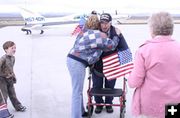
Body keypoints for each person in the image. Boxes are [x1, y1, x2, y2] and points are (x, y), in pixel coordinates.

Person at [128, 11, 180, 118]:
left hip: (151, 107)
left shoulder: (144, 50)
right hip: (174, 104)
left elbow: (134, 82)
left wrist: (130, 76)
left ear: (152, 29)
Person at [66, 14, 120, 118]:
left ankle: (81, 112)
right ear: (98, 24)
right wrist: (117, 35)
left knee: (78, 90)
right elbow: (112, 45)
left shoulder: (83, 32)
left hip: (71, 59)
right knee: (77, 92)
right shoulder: (98, 35)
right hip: (78, 62)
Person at [92, 13, 129, 114]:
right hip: (97, 65)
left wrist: (122, 62)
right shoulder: (95, 32)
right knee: (97, 86)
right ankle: (98, 103)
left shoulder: (116, 32)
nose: (104, 25)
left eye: (106, 23)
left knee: (110, 87)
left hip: (112, 65)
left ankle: (108, 103)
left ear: (110, 23)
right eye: (102, 23)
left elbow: (124, 47)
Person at [0, 41, 26, 113]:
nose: (14, 49)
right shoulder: (3, 58)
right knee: (3, 96)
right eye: (12, 48)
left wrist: (13, 76)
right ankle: (3, 112)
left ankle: (18, 106)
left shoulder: (13, 58)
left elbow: (11, 68)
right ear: (6, 49)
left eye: (15, 48)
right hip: (2, 80)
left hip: (10, 79)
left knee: (13, 94)